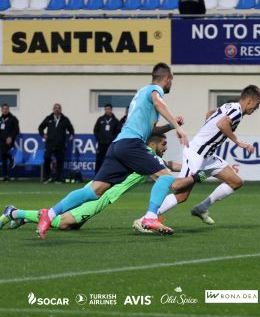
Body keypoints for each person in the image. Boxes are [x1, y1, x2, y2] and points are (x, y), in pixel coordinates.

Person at [36, 63, 202, 239]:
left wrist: (170, 125)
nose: (171, 85)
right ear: (167, 78)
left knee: (94, 191)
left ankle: (51, 213)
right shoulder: (154, 90)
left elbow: (151, 131)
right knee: (166, 177)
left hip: (118, 146)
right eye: (171, 80)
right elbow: (158, 102)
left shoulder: (140, 96)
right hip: (131, 144)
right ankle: (150, 217)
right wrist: (178, 128)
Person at [0, 135, 200, 231]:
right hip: (101, 195)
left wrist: (196, 165)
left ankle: (26, 218)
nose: (166, 147)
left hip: (100, 192)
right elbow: (173, 181)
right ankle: (14, 213)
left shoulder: (149, 159)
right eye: (164, 143)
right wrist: (196, 177)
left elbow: (171, 164)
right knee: (64, 223)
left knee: (71, 226)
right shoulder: (145, 155)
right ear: (152, 143)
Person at [133, 85, 260, 231]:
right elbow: (222, 123)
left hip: (208, 156)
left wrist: (209, 128)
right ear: (250, 101)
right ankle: (145, 219)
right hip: (196, 153)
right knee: (180, 193)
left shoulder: (230, 106)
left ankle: (202, 208)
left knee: (236, 181)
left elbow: (211, 114)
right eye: (257, 104)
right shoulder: (236, 111)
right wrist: (238, 142)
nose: (257, 108)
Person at [38, 104, 74, 184]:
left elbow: (71, 128)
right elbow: (40, 127)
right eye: (55, 108)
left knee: (60, 161)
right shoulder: (49, 118)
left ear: (61, 109)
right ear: (53, 109)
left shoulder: (65, 119)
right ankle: (47, 178)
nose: (57, 110)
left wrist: (71, 135)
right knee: (47, 158)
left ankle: (58, 178)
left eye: (58, 108)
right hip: (50, 143)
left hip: (60, 144)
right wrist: (43, 134)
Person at [93, 104, 120, 173]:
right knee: (99, 160)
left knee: (111, 160)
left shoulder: (115, 121)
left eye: (108, 109)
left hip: (110, 145)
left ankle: (111, 175)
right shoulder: (100, 119)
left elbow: (118, 132)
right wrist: (99, 139)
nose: (107, 110)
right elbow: (95, 130)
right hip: (101, 144)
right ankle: (96, 176)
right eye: (106, 109)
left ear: (111, 110)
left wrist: (113, 140)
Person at [0, 104, 20, 181]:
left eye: (6, 109)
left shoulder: (13, 119)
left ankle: (11, 158)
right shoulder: (0, 119)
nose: (5, 110)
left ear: (9, 110)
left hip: (9, 140)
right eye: (3, 109)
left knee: (3, 153)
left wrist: (11, 137)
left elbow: (17, 130)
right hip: (1, 140)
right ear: (1, 110)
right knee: (3, 158)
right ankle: (5, 176)